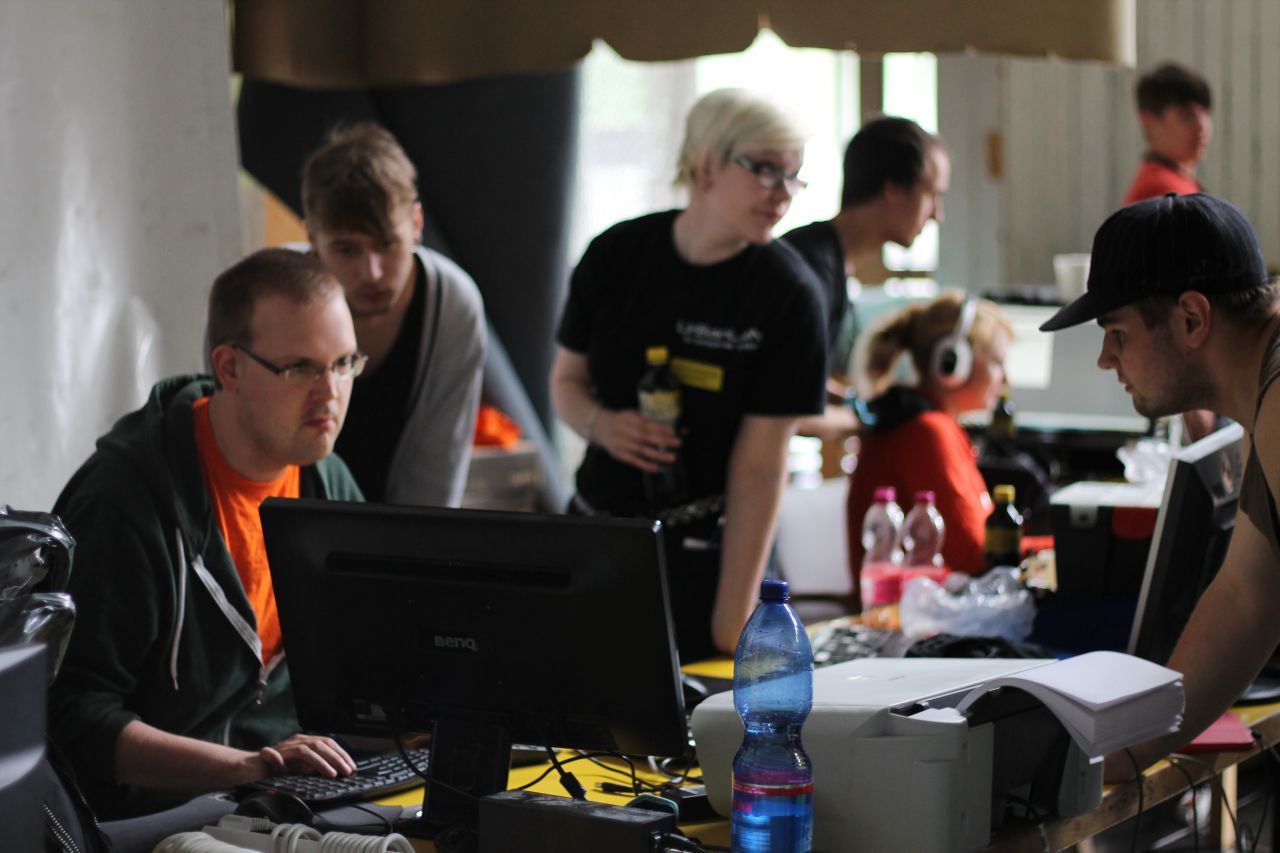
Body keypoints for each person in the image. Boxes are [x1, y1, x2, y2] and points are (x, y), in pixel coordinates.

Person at [48, 249, 365, 818]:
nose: (330, 392)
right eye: (300, 368)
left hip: (273, 802)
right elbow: (71, 716)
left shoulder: (327, 480)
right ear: (230, 368)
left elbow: (369, 657)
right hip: (145, 819)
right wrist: (248, 766)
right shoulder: (124, 500)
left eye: (344, 363)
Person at [551, 88, 828, 660]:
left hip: (714, 550)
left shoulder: (789, 294)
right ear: (705, 167)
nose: (783, 193)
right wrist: (603, 425)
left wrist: (735, 616)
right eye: (766, 170)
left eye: (795, 175)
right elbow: (565, 384)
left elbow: (760, 468)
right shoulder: (616, 254)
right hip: (599, 535)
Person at [1038, 192, 1280, 780]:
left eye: (1117, 332)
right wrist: (1126, 753)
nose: (1105, 358)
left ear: (1191, 319)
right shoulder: (1265, 391)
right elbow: (1249, 596)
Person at [302, 123, 486, 506]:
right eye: (347, 250)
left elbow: (439, 469)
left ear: (416, 224)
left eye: (387, 243)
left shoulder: (451, 304)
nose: (372, 272)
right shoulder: (273, 301)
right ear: (312, 239)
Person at [785, 116, 951, 443]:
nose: (937, 214)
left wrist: (858, 403)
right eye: (932, 194)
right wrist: (865, 419)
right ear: (893, 189)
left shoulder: (827, 259)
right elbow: (788, 411)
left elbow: (800, 382)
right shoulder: (812, 271)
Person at [845, 291, 1012, 599]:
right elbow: (973, 558)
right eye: (999, 363)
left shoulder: (935, 426)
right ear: (953, 362)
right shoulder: (927, 432)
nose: (1006, 380)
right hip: (912, 618)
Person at [1121, 62, 1212, 206]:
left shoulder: (1178, 181)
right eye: (1187, 116)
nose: (1202, 127)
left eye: (1205, 114)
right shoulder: (1164, 194)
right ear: (1149, 121)